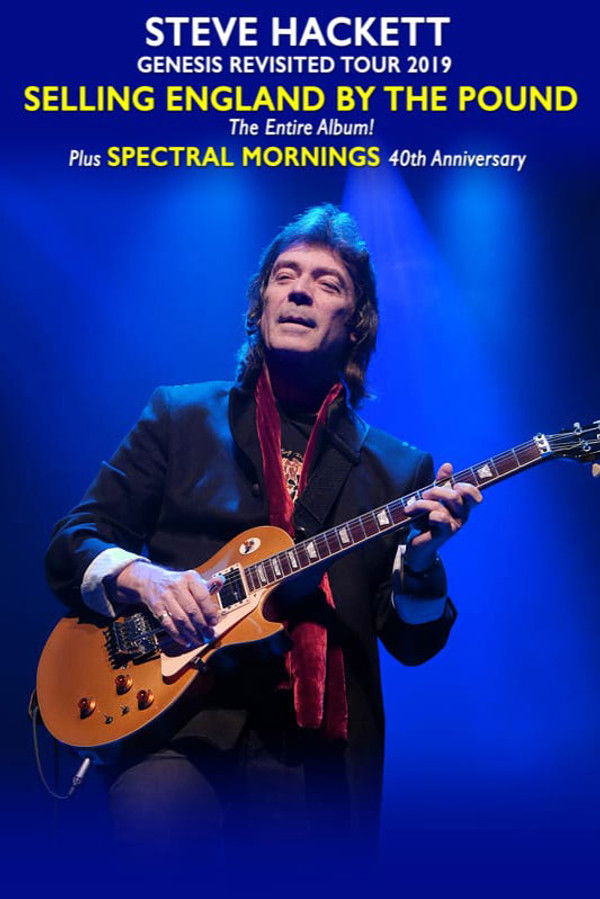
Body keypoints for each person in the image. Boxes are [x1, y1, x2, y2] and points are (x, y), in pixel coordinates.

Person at [45, 204, 481, 860]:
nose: (300, 290)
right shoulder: (180, 417)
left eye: (328, 283)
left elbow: (412, 642)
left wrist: (421, 568)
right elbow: (73, 541)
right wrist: (146, 579)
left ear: (356, 324)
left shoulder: (397, 470)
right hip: (174, 723)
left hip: (316, 760)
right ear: (261, 304)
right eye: (285, 275)